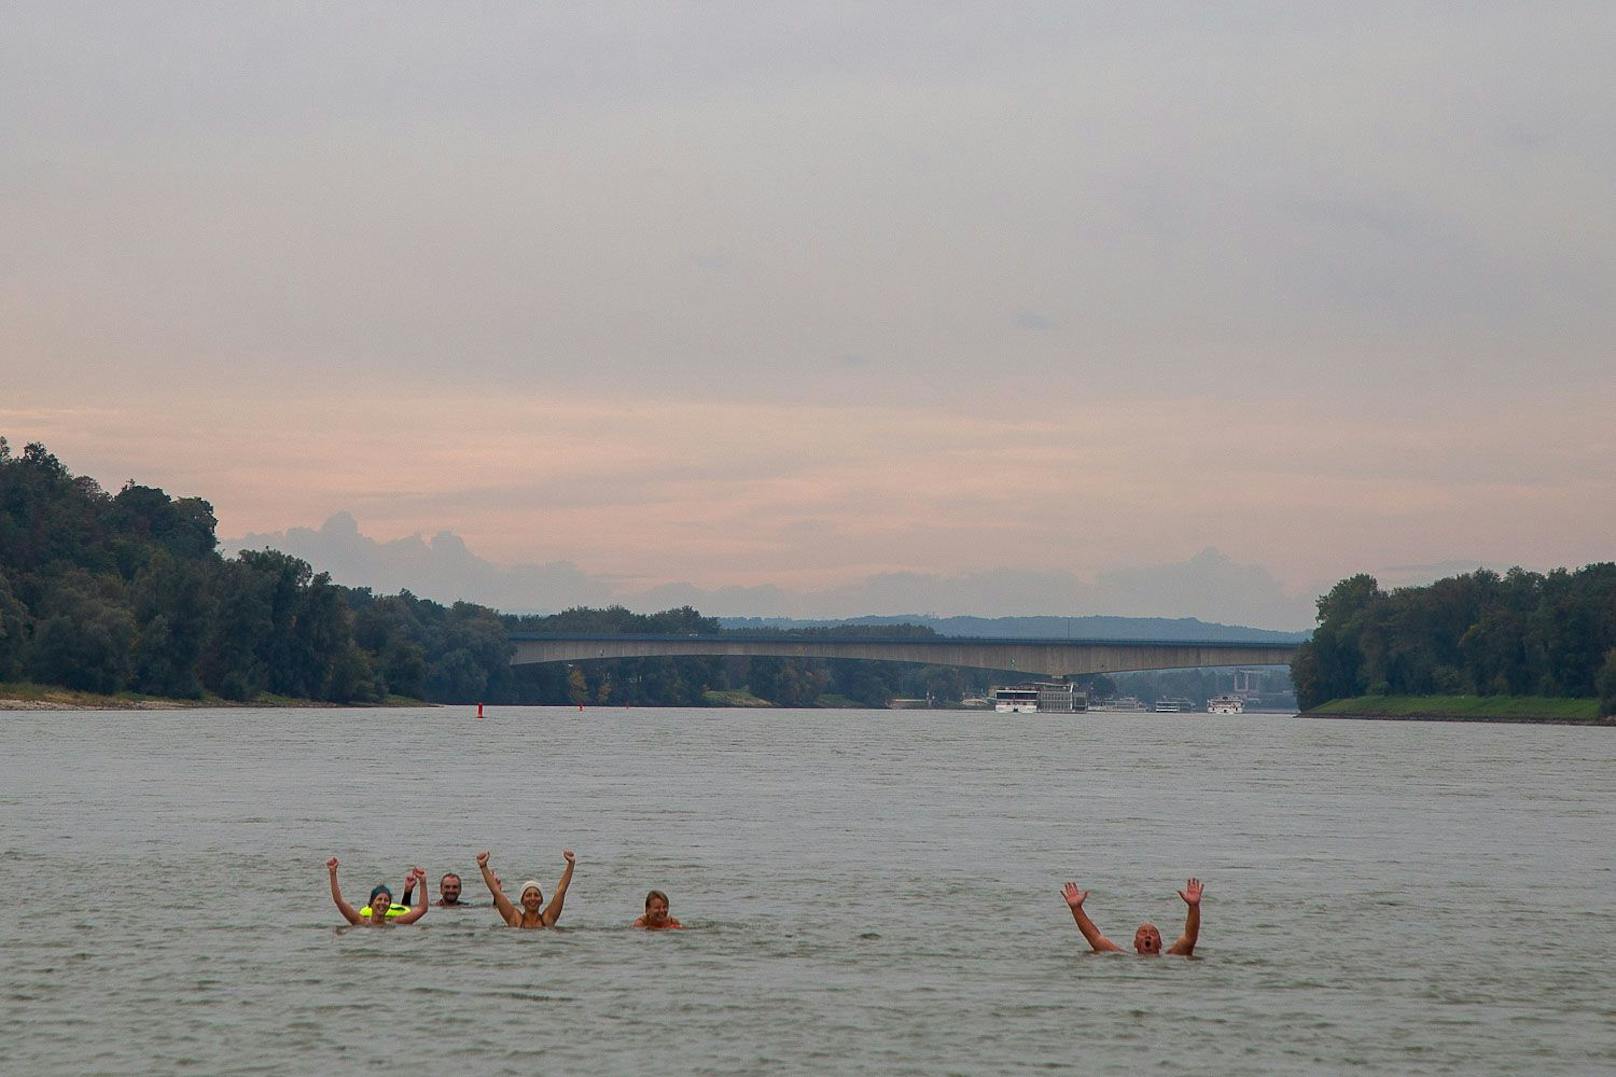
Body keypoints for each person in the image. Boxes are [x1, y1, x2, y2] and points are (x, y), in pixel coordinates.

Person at [1060, 877, 1203, 956]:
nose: (1148, 936)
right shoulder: (1123, 957)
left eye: (1153, 933)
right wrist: (1076, 908)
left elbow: (1189, 938)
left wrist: (1193, 906)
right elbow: (1095, 938)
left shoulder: (1172, 957)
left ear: (1160, 944)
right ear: (1135, 944)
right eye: (1143, 933)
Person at [477, 849, 575, 928]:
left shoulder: (547, 920)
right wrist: (483, 866)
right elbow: (496, 892)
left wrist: (571, 864)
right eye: (528, 895)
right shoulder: (516, 920)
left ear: (541, 900)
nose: (532, 898)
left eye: (536, 895)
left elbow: (561, 891)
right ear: (522, 900)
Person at [327, 857, 429, 925]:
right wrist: (332, 873)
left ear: (389, 905)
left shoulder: (395, 923)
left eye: (386, 900)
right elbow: (338, 901)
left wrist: (423, 882)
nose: (382, 903)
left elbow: (422, 909)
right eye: (379, 899)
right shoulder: (361, 922)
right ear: (371, 903)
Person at [401, 870, 469, 907]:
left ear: (460, 890)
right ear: (441, 890)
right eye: (447, 887)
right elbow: (405, 913)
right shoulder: (433, 907)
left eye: (455, 887)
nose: (451, 890)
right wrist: (408, 891)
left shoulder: (466, 907)